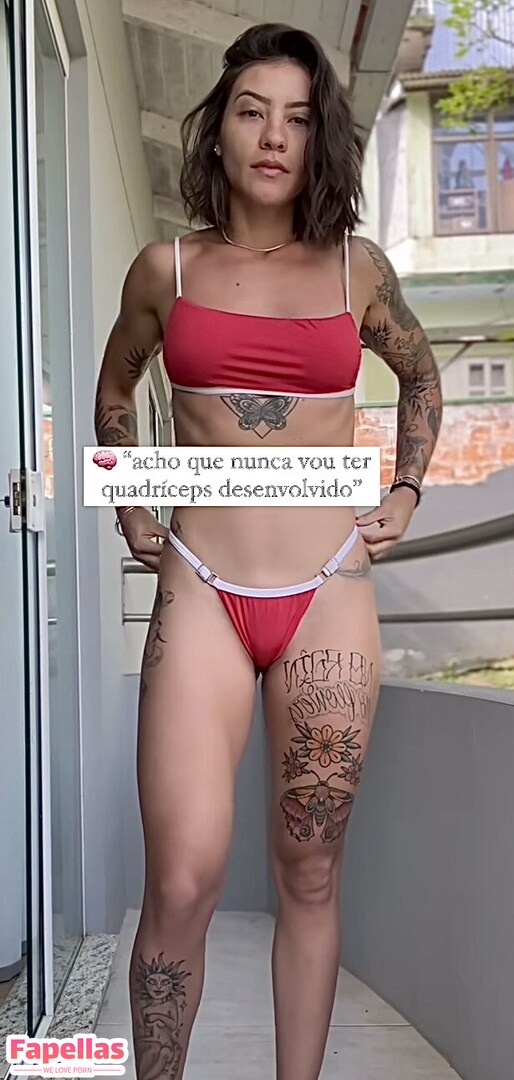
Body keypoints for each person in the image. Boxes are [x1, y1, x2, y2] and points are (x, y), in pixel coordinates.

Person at [94, 22, 443, 1080]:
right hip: (201, 588)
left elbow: (422, 378)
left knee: (311, 872)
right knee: (182, 882)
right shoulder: (165, 268)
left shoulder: (356, 269)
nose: (274, 136)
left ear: (319, 138)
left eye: (297, 117)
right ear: (219, 130)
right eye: (253, 111)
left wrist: (407, 488)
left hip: (328, 590)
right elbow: (116, 391)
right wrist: (128, 501)